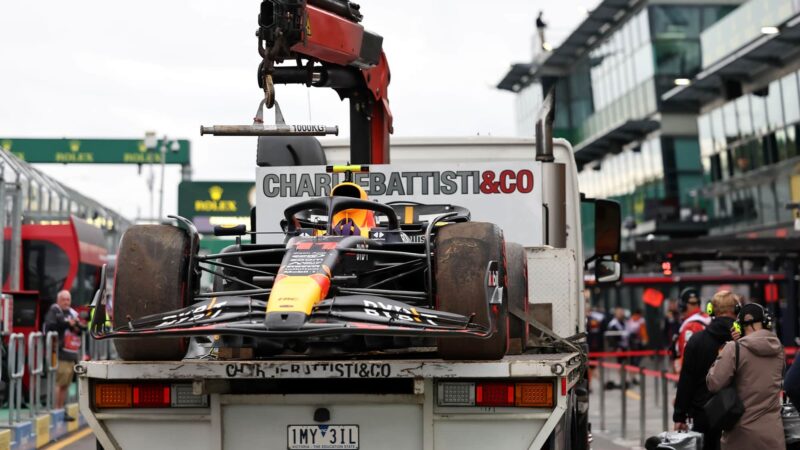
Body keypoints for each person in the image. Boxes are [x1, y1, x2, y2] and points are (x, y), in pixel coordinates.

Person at [707, 303, 784, 450]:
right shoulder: (778, 349)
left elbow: (714, 383)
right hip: (773, 436)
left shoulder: (734, 348)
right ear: (766, 323)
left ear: (739, 326)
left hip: (740, 437)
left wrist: (723, 354)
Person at [673, 290, 738, 450]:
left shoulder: (696, 340)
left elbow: (687, 379)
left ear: (711, 310)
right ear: (736, 311)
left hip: (703, 414)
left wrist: (679, 416)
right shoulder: (744, 340)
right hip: (739, 412)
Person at [44, 290, 82, 421]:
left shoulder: (72, 313)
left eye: (68, 299)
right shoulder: (54, 311)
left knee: (66, 384)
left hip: (72, 353)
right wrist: (67, 324)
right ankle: (57, 411)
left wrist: (76, 325)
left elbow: (80, 330)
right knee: (60, 383)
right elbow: (50, 326)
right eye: (63, 299)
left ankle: (61, 410)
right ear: (58, 300)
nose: (66, 302)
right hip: (60, 352)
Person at [674, 287, 710, 373]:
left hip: (694, 377)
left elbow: (688, 355)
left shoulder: (690, 326)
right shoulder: (707, 319)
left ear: (683, 305)